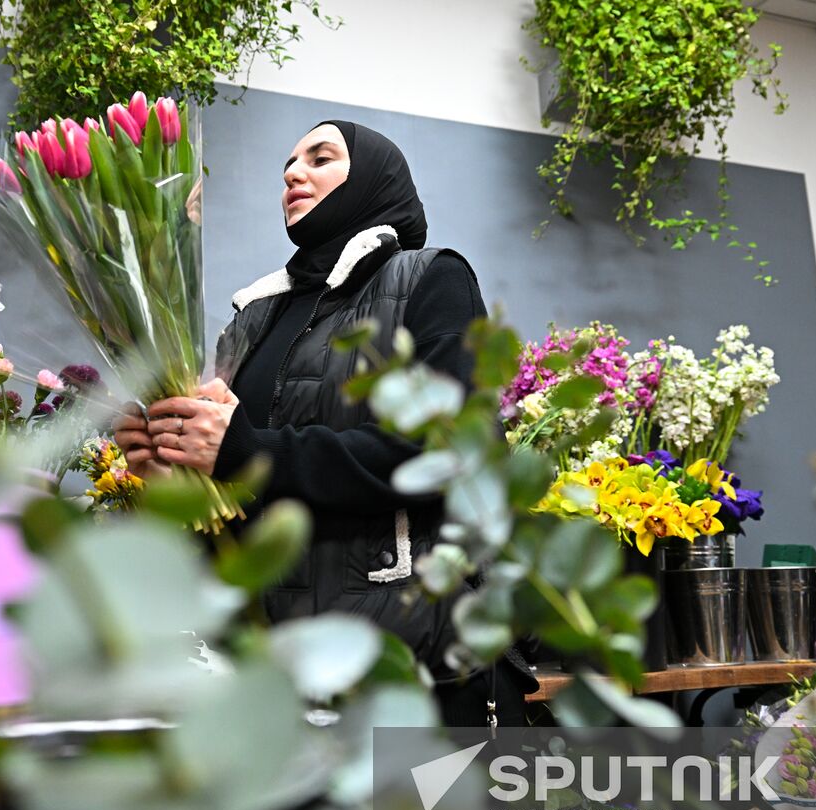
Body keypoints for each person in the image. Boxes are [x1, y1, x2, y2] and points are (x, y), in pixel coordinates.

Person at [112, 120, 537, 727]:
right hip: (274, 660)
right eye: (289, 162)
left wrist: (246, 450)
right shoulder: (253, 320)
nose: (293, 173)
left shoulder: (430, 278)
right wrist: (172, 463)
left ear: (372, 178)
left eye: (320, 157)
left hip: (406, 656)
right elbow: (240, 492)